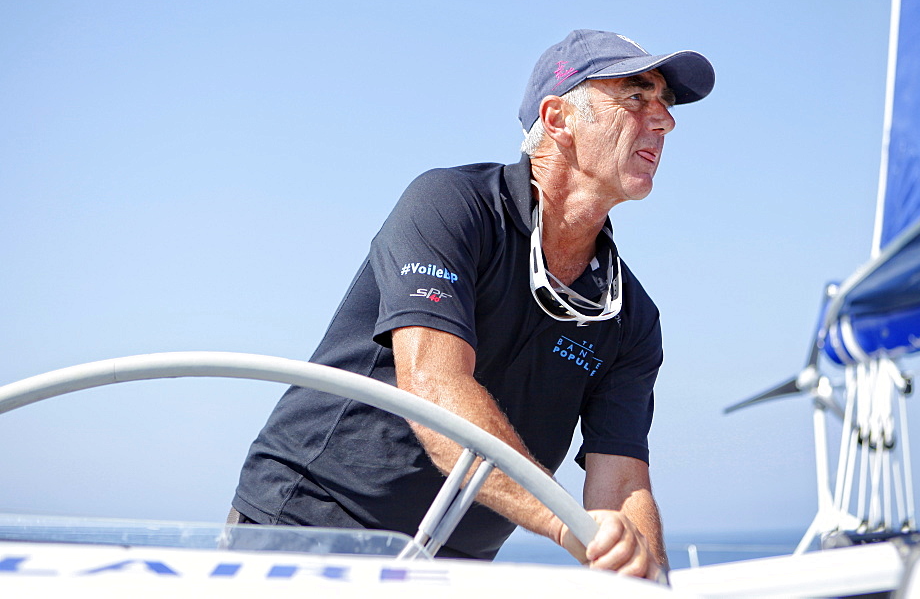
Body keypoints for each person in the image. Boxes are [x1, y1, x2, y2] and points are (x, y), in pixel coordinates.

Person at [232, 29, 714, 580]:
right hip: (305, 531)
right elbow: (436, 391)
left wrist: (647, 577)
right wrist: (567, 525)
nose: (664, 120)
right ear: (559, 119)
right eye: (636, 96)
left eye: (666, 104)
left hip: (456, 570)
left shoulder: (631, 317)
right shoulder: (449, 206)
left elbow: (623, 484)